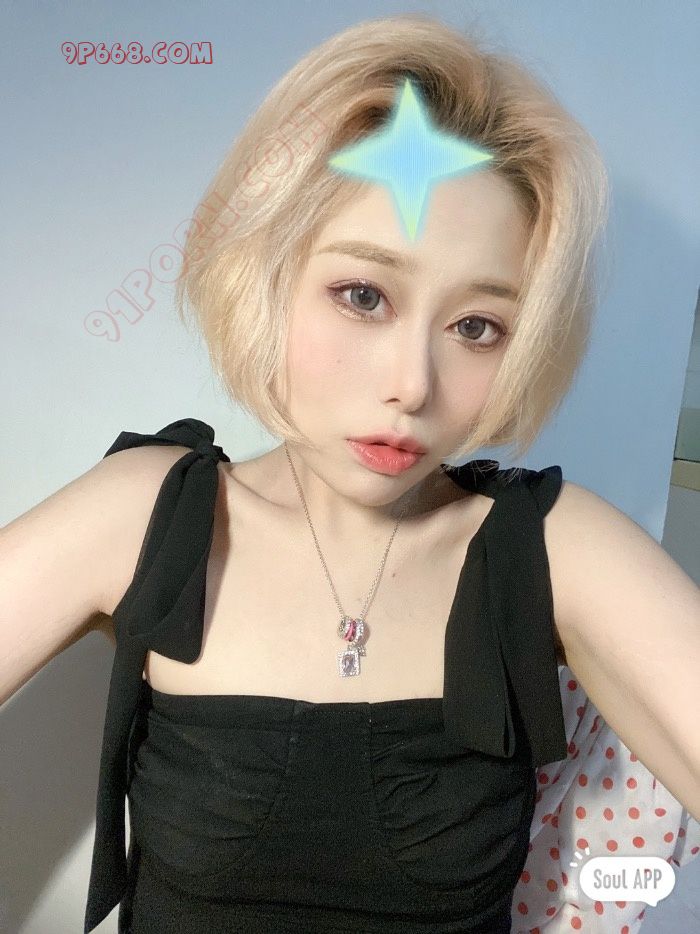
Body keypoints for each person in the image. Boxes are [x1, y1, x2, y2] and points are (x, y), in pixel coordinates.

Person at [2, 13, 698, 934]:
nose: (413, 385)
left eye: (477, 327)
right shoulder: (144, 516)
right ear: (267, 276)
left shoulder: (557, 550)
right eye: (363, 296)